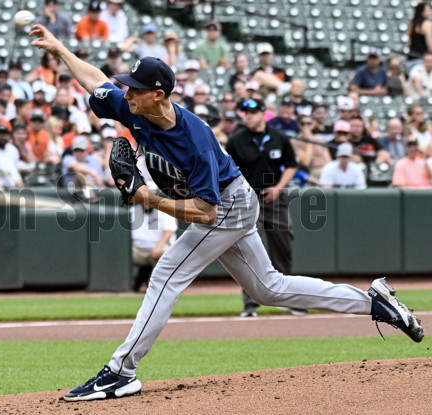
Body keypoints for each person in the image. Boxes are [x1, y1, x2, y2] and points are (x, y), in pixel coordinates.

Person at [30, 24, 424, 402]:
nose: (126, 93)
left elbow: (204, 212)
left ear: (159, 94)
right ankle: (373, 302)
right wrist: (61, 50)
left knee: (167, 273)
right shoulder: (135, 109)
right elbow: (95, 79)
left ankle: (120, 372)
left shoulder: (195, 139)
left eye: (134, 88)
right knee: (268, 288)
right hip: (231, 202)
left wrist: (149, 198)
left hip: (227, 205)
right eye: (127, 87)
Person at [226, 99, 303, 317]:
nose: (247, 116)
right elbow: (229, 170)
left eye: (252, 112)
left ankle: (289, 298)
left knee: (283, 243)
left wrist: (279, 187)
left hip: (274, 197)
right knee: (249, 248)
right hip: (248, 198)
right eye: (245, 112)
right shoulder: (236, 140)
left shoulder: (279, 136)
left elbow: (292, 164)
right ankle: (250, 303)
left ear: (263, 113)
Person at [130, 203, 177, 292]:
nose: (147, 203)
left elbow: (169, 230)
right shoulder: (133, 211)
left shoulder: (165, 211)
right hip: (137, 249)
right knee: (121, 253)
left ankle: (160, 287)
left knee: (165, 251)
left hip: (157, 247)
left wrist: (159, 246)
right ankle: (127, 285)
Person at [291, 114, 331, 182]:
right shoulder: (295, 141)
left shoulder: (320, 140)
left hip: (325, 170)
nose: (306, 126)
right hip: (310, 171)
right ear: (299, 125)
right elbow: (306, 163)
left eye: (309, 123)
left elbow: (328, 160)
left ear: (312, 125)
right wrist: (309, 141)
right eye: (303, 123)